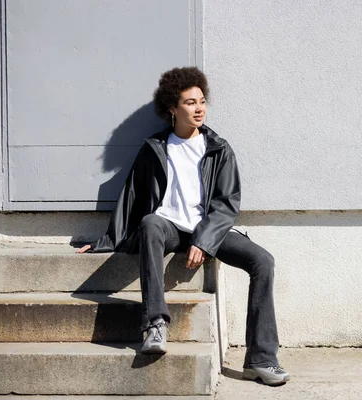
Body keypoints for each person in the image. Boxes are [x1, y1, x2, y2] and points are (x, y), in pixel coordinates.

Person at [77, 66, 290, 386]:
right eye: (190, 103)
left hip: (209, 229)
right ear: (172, 109)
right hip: (168, 227)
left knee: (263, 261)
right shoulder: (155, 149)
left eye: (202, 101)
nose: (199, 108)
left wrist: (204, 240)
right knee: (150, 223)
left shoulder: (219, 149)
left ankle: (261, 359)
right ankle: (155, 325)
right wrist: (108, 240)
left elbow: (226, 202)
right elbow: (131, 198)